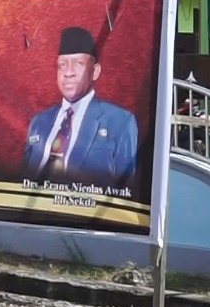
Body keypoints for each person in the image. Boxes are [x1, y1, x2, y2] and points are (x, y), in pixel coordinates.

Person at [21, 26, 138, 187]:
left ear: (95, 71)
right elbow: (23, 180)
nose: (68, 72)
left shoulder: (120, 122)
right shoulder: (38, 122)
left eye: (78, 63)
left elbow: (127, 190)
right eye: (62, 64)